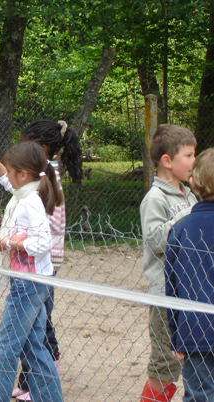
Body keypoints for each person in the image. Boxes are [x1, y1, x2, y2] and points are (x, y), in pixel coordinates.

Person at [0, 141, 63, 402]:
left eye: (10, 172)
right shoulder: (27, 191)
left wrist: (8, 243)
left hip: (28, 284)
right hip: (33, 281)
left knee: (5, 347)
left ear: (23, 175)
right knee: (34, 347)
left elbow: (44, 243)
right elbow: (8, 183)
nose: (6, 178)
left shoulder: (30, 201)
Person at [12, 119, 83, 400]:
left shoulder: (44, 180)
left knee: (36, 320)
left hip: (41, 263)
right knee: (38, 318)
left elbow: (41, 226)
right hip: (36, 262)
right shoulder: (40, 175)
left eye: (24, 145)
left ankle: (37, 379)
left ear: (41, 148)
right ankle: (38, 371)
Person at [139, 124, 197, 402]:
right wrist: (188, 216)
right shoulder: (155, 198)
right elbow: (156, 241)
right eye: (188, 155)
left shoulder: (190, 193)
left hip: (190, 291)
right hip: (165, 295)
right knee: (165, 361)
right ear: (167, 161)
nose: (193, 161)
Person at [165, 147, 214, 402]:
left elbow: (171, 288)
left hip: (196, 332)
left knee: (199, 395)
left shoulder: (181, 229)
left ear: (193, 182)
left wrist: (177, 336)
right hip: (198, 334)